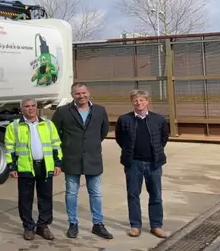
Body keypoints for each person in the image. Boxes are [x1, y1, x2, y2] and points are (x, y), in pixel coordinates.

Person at [52, 82, 113, 239]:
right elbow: (54, 134)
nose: (81, 96)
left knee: (96, 193)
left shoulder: (99, 110)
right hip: (71, 159)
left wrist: (90, 144)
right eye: (77, 93)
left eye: (84, 93)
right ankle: (73, 224)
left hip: (93, 159)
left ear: (89, 93)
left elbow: (103, 131)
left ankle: (98, 224)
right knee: (71, 193)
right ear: (72, 95)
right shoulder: (62, 111)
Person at [5, 98, 63, 241]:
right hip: (25, 167)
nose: (30, 108)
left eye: (33, 106)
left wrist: (58, 163)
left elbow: (56, 144)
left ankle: (43, 226)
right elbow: (9, 147)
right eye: (27, 106)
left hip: (45, 165)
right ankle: (28, 227)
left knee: (46, 198)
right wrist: (11, 166)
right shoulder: (14, 126)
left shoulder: (48, 124)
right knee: (25, 199)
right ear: (21, 109)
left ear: (36, 108)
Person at [115, 89, 170, 239]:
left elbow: (164, 138)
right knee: (133, 195)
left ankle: (156, 225)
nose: (139, 103)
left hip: (153, 164)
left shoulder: (158, 119)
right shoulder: (124, 119)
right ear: (132, 102)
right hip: (133, 164)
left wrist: (156, 152)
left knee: (156, 195)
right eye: (135, 100)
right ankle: (135, 226)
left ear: (147, 101)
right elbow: (120, 138)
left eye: (141, 100)